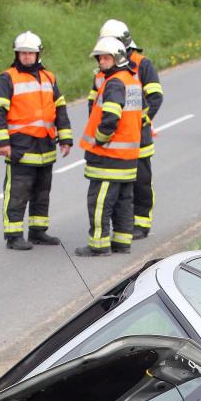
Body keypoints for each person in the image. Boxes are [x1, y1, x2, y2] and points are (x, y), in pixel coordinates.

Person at [0, 31, 73, 250]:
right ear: (17, 55)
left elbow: (60, 109)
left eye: (30, 53)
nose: (26, 57)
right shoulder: (7, 78)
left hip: (45, 146)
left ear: (38, 54)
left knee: (41, 192)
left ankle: (38, 231)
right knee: (17, 192)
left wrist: (65, 137)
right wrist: (2, 143)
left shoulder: (48, 77)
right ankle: (13, 235)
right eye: (23, 53)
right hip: (20, 147)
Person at [92, 19, 163, 239]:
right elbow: (94, 103)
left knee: (141, 181)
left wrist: (139, 122)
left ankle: (141, 223)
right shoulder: (104, 69)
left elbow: (155, 97)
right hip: (113, 139)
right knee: (118, 187)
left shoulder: (142, 64)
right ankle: (121, 226)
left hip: (138, 138)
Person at [76, 37, 143, 257]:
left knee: (100, 202)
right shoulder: (131, 80)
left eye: (106, 57)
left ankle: (99, 244)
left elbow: (111, 117)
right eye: (100, 57)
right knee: (124, 200)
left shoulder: (114, 82)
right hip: (129, 155)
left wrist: (100, 138)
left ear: (118, 58)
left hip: (109, 155)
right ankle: (122, 242)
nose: (102, 61)